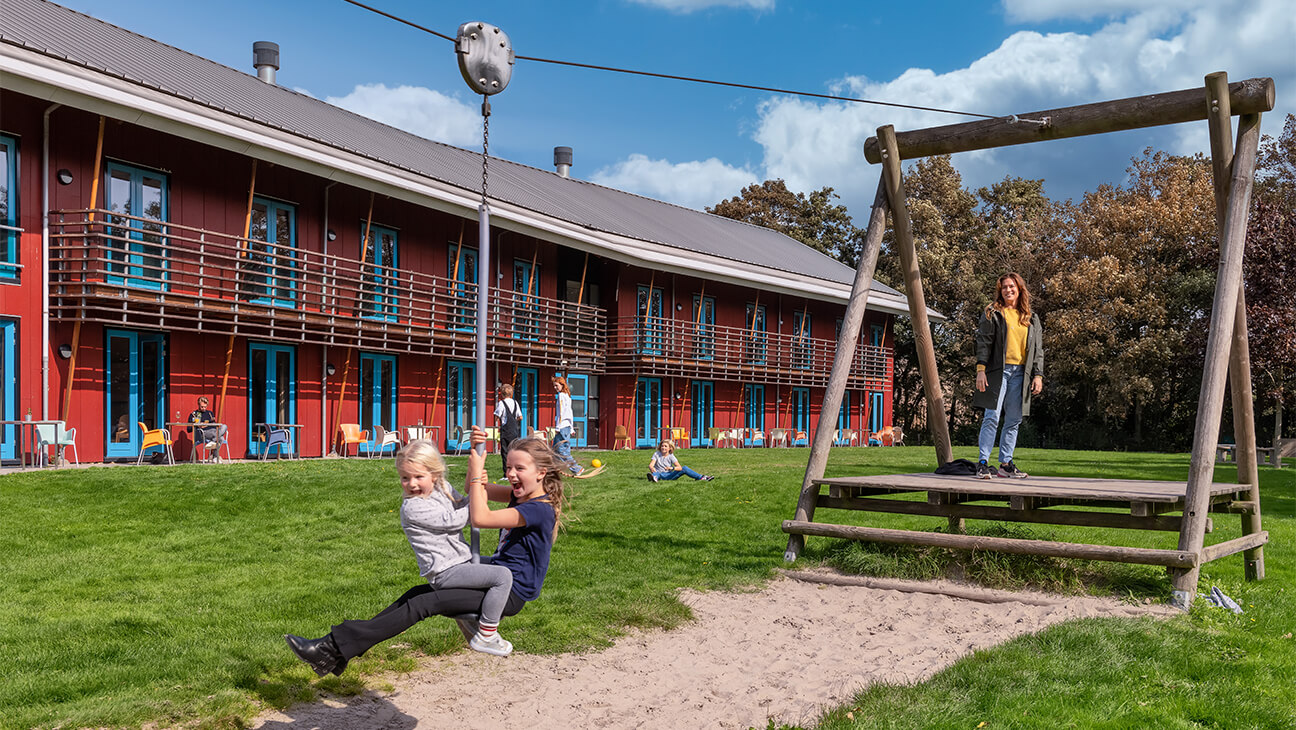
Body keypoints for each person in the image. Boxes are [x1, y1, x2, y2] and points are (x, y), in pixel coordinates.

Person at [284, 426, 569, 677]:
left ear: (541, 473)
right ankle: (334, 651)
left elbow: (480, 516)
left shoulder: (538, 510)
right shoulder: (519, 495)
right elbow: (476, 491)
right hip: (497, 572)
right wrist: (475, 452)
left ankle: (485, 633)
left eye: (519, 469)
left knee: (423, 604)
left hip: (509, 593)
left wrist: (476, 480)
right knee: (415, 595)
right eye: (508, 467)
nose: (510, 475)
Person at [393, 439, 515, 656]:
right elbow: (456, 520)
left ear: (434, 474)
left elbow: (463, 503)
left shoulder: (443, 488)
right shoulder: (412, 507)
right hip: (444, 571)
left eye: (418, 477)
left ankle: (474, 628)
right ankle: (487, 633)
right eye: (405, 478)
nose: (411, 484)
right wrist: (478, 491)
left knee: (500, 566)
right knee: (502, 577)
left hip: (460, 560)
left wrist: (478, 487)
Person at [973, 272, 1044, 479]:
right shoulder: (993, 313)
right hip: (997, 372)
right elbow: (983, 342)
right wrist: (981, 370)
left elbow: (1038, 350)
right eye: (1004, 287)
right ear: (1000, 291)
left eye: (1012, 286)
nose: (1008, 290)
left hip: (1021, 374)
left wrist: (1038, 375)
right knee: (992, 417)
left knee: (1014, 420)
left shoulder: (1031, 318)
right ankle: (983, 463)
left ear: (1019, 289)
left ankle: (1005, 464)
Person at [550, 375, 583, 476]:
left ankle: (577, 469)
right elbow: (570, 413)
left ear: (562, 385)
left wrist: (558, 427)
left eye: (556, 385)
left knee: (561, 450)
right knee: (555, 449)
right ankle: (553, 469)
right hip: (566, 426)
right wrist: (571, 428)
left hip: (562, 426)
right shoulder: (567, 396)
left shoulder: (561, 395)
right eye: (554, 386)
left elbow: (562, 413)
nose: (555, 388)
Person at [647, 439, 714, 482]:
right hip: (659, 473)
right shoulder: (657, 454)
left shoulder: (671, 456)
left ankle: (701, 477)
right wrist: (652, 468)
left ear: (670, 448)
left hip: (668, 475)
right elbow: (651, 464)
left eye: (665, 446)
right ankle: (654, 478)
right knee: (656, 473)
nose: (663, 448)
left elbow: (679, 467)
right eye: (662, 446)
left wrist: (672, 468)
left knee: (684, 468)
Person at [494, 383, 524, 472]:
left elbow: (497, 416)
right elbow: (520, 417)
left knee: (505, 452)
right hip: (514, 430)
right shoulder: (515, 403)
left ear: (502, 394)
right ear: (511, 393)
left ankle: (506, 472)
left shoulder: (501, 403)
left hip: (505, 430)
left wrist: (497, 420)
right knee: (513, 450)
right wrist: (514, 420)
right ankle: (515, 469)